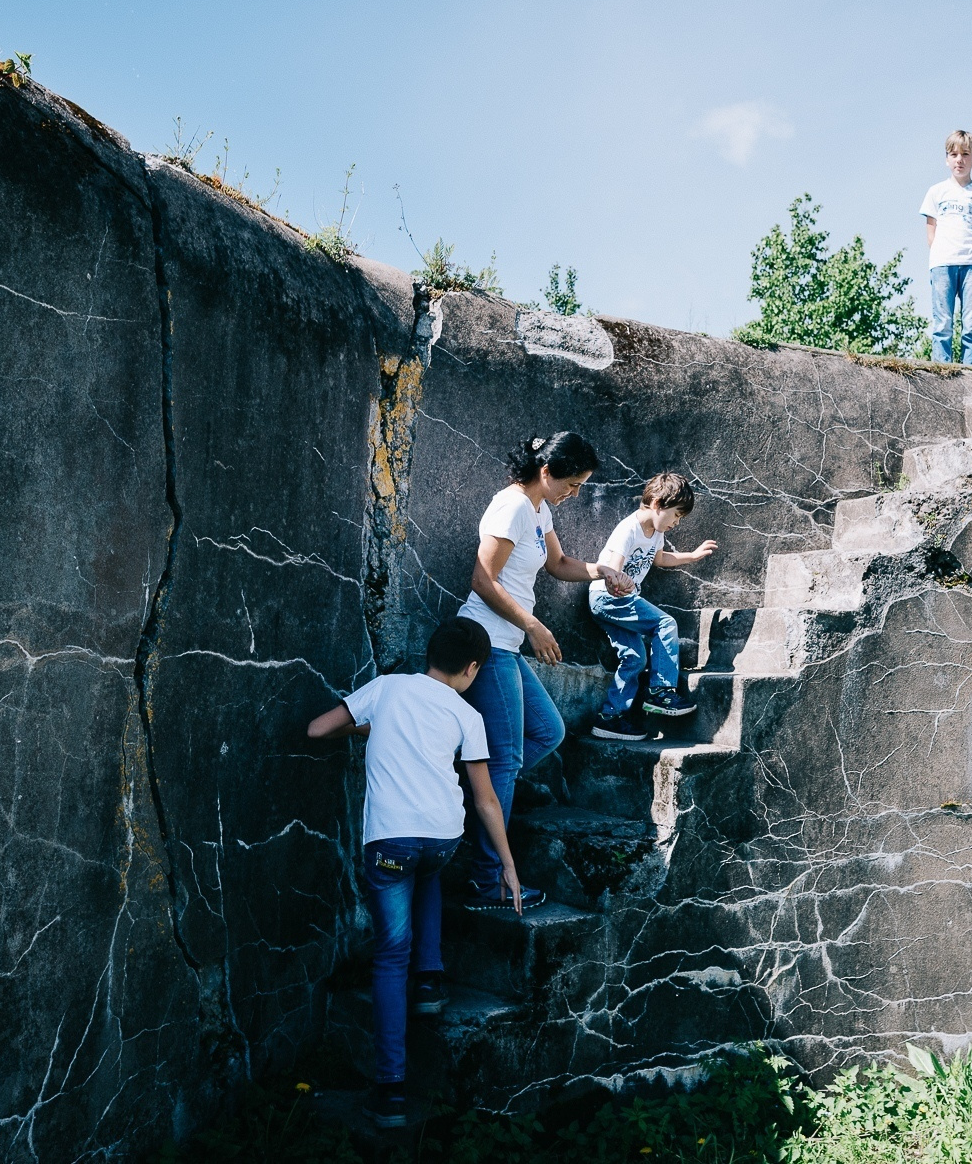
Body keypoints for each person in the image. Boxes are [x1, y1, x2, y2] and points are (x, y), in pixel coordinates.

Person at [304, 616, 519, 1130]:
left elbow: (317, 728)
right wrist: (509, 867)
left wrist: (372, 725)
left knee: (388, 954)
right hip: (443, 838)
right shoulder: (468, 716)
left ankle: (391, 1091)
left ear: (428, 654)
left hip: (390, 841)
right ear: (472, 669)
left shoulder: (386, 688)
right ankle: (430, 982)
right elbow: (486, 798)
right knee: (428, 872)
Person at [457, 432, 635, 912]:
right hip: (486, 642)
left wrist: (602, 570)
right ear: (546, 470)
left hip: (507, 645)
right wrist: (534, 626)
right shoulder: (510, 506)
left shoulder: (539, 510)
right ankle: (486, 879)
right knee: (508, 758)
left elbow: (557, 564)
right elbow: (482, 579)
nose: (574, 493)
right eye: (573, 483)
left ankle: (479, 791)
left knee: (546, 732)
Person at [587, 472, 720, 741]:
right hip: (609, 596)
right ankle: (661, 691)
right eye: (676, 515)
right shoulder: (629, 528)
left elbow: (660, 559)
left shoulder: (655, 532)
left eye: (681, 519)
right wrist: (616, 582)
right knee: (665, 623)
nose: (676, 523)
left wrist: (691, 556)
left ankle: (610, 718)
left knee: (635, 658)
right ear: (658, 504)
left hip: (612, 601)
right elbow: (615, 563)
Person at [919, 129, 972, 365]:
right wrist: (942, 254)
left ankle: (971, 370)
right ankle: (942, 368)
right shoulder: (936, 192)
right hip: (942, 264)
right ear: (947, 159)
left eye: (966, 154)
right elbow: (931, 231)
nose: (960, 160)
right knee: (943, 322)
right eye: (954, 154)